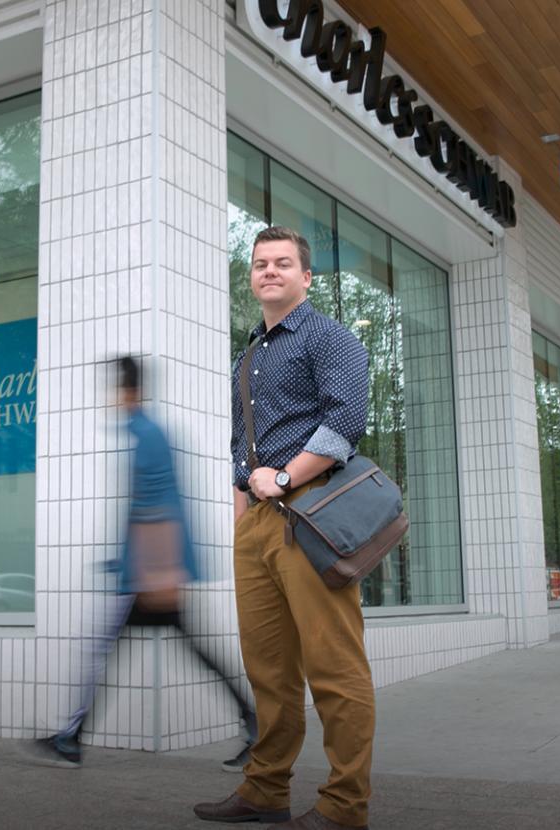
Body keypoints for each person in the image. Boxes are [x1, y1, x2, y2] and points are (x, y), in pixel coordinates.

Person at [193, 226, 373, 830]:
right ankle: (266, 791)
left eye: (283, 263)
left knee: (334, 667)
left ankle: (344, 807)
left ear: (306, 277)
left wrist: (288, 477)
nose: (269, 271)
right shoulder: (250, 352)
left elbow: (347, 417)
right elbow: (243, 444)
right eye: (260, 263)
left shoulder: (329, 337)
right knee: (267, 668)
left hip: (311, 515)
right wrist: (242, 512)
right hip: (258, 526)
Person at [30, 356, 258, 770]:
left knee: (111, 649)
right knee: (185, 650)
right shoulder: (141, 432)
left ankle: (71, 739)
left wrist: (161, 574)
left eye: (115, 390)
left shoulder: (148, 435)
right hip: (144, 572)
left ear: (128, 391)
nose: (110, 399)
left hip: (152, 576)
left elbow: (161, 505)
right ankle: (72, 738)